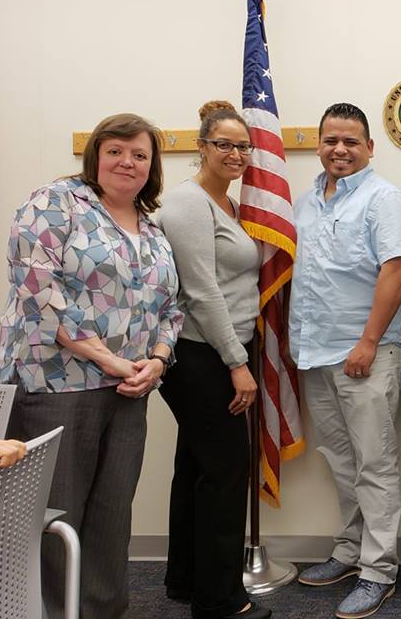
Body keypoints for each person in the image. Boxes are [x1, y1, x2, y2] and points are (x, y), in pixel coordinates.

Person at [0, 113, 183, 619]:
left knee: (111, 511)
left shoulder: (153, 228)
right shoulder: (55, 204)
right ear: (95, 154)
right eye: (117, 150)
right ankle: (53, 612)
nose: (128, 161)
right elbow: (39, 294)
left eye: (140, 154)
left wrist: (157, 363)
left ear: (152, 166)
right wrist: (110, 359)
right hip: (58, 384)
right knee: (58, 511)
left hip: (130, 389)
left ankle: (103, 609)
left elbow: (171, 308)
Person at [290, 102, 401, 619]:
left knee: (374, 464)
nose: (340, 149)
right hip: (315, 352)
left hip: (367, 351)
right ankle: (348, 551)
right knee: (341, 462)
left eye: (351, 141)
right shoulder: (306, 201)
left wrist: (366, 341)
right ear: (320, 143)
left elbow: (396, 271)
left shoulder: (384, 199)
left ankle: (379, 570)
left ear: (369, 146)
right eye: (330, 140)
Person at [158, 101, 270, 619]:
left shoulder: (225, 203)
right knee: (225, 471)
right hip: (204, 354)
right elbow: (201, 291)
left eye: (242, 145)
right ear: (200, 147)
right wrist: (236, 361)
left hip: (220, 351)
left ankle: (187, 580)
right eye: (223, 143)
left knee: (197, 467)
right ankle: (221, 599)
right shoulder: (187, 202)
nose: (235, 153)